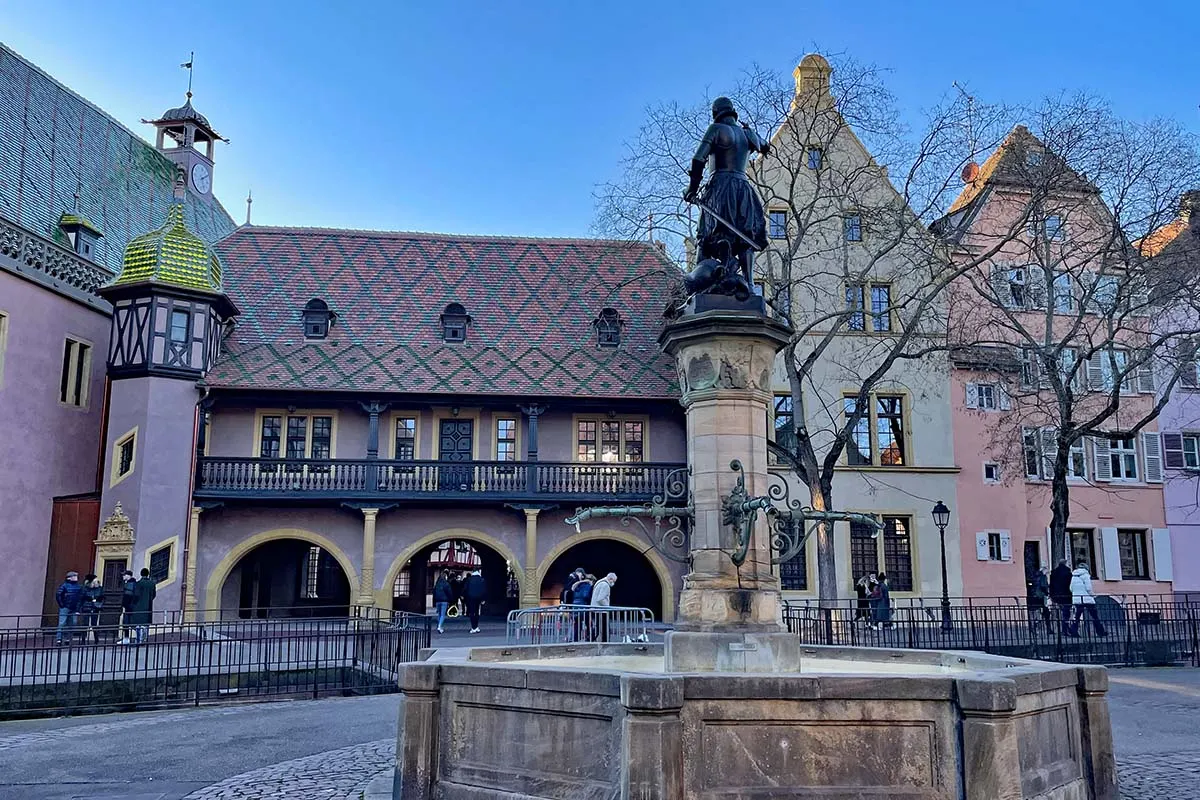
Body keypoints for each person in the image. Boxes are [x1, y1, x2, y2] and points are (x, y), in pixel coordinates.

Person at [1068, 563, 1106, 638]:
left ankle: (1073, 630)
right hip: (1087, 599)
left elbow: (1071, 588)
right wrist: (1093, 595)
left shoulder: (1074, 576)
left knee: (1077, 616)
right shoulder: (1086, 575)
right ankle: (1100, 631)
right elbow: (1088, 588)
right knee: (1094, 616)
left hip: (1077, 599)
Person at [126, 568, 156, 645]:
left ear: (141, 574)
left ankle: (139, 639)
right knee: (146, 623)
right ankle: (145, 638)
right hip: (148, 605)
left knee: (138, 624)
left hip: (138, 606)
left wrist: (133, 604)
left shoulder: (138, 584)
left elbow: (135, 595)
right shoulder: (152, 583)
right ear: (148, 574)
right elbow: (153, 595)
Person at [54, 571, 83, 645]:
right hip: (65, 607)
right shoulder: (64, 586)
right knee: (62, 623)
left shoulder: (78, 586)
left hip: (73, 608)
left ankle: (68, 639)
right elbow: (58, 595)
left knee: (73, 623)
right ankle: (59, 639)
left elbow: (80, 598)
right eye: (74, 576)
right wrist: (62, 605)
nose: (76, 577)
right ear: (69, 578)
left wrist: (78, 609)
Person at [590, 573, 618, 643]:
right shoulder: (605, 585)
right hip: (601, 611)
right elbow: (600, 599)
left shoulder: (599, 582)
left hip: (596, 609)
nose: (613, 583)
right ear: (610, 579)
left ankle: (591, 639)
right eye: (614, 581)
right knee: (604, 628)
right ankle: (605, 642)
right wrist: (607, 607)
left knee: (598, 628)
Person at [1049, 559, 1074, 632]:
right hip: (1066, 595)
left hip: (1056, 596)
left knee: (1062, 612)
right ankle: (1065, 629)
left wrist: (1052, 595)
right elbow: (1070, 585)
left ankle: (1064, 629)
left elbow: (1051, 585)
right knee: (1066, 613)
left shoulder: (1054, 573)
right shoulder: (1068, 573)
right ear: (1065, 563)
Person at [79, 574, 105, 643]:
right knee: (85, 624)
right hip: (87, 607)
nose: (96, 581)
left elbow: (102, 597)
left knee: (94, 624)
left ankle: (96, 639)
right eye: (94, 580)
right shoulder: (85, 588)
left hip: (95, 607)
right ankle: (83, 640)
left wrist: (97, 600)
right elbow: (82, 597)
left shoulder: (99, 588)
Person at [570, 572, 594, 641]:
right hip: (584, 607)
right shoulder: (587, 586)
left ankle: (576, 639)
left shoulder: (576, 586)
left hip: (575, 608)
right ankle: (590, 638)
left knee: (577, 625)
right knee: (588, 624)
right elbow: (586, 596)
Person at [462, 569, 486, 634]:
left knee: (472, 612)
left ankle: (473, 627)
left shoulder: (469, 579)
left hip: (471, 597)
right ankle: (477, 626)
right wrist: (483, 599)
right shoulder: (482, 579)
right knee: (477, 612)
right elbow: (484, 589)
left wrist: (463, 596)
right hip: (478, 597)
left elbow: (465, 588)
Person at [119, 569, 137, 642]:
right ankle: (129, 638)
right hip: (130, 606)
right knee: (128, 623)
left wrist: (124, 605)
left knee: (127, 623)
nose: (123, 576)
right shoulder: (131, 583)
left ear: (128, 576)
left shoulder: (130, 584)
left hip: (129, 607)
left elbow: (128, 596)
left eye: (124, 575)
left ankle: (127, 639)